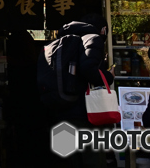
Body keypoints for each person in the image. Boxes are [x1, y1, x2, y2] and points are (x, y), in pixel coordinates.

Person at [38, 14, 115, 168]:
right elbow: (88, 69)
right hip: (84, 112)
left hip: (61, 109)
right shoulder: (93, 38)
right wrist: (108, 76)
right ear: (104, 29)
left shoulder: (59, 41)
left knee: (71, 159)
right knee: (92, 158)